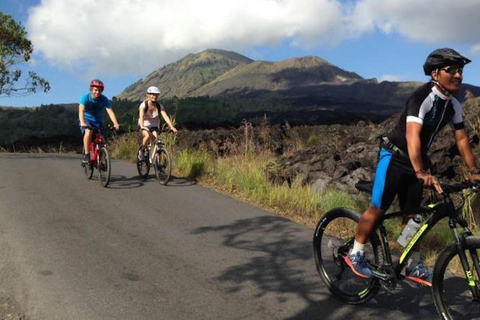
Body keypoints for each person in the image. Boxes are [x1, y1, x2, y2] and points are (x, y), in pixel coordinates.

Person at [345, 48, 480, 286]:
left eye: (460, 70)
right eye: (452, 70)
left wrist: (473, 172)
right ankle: (355, 253)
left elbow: (461, 140)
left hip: (417, 162)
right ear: (436, 74)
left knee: (413, 216)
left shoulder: (453, 105)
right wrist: (420, 171)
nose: (458, 75)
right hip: (395, 157)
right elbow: (412, 137)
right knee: (378, 209)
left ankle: (412, 263)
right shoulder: (422, 98)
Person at [79, 79, 120, 164]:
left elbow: (110, 112)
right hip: (86, 119)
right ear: (91, 90)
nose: (97, 92)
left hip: (98, 121)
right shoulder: (85, 98)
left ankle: (102, 158)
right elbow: (81, 111)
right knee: (88, 131)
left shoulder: (104, 99)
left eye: (99, 90)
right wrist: (82, 122)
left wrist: (115, 123)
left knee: (102, 138)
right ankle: (87, 155)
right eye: (95, 90)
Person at [137, 86, 178, 160]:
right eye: (152, 94)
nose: (154, 96)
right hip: (144, 125)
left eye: (156, 95)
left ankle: (157, 161)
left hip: (154, 126)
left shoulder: (159, 106)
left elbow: (165, 116)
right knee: (147, 136)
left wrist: (171, 126)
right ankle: (142, 150)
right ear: (148, 95)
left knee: (157, 141)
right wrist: (142, 126)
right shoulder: (143, 105)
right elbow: (141, 116)